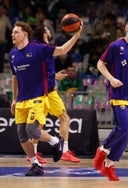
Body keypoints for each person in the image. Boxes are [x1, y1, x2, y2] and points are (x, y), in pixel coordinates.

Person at [9, 20, 82, 176]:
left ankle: (56, 142)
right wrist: (15, 99)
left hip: (37, 97)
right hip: (21, 100)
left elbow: (62, 50)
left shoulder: (38, 49)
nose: (12, 34)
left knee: (31, 130)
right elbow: (15, 77)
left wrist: (76, 34)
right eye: (12, 32)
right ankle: (36, 165)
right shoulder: (13, 54)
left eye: (16, 32)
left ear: (25, 34)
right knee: (21, 134)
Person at [92, 17, 128, 181]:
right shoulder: (116, 46)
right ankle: (102, 150)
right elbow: (100, 64)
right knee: (124, 127)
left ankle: (109, 165)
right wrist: (111, 79)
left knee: (126, 133)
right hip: (118, 94)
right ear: (126, 28)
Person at [27, 25, 80, 163]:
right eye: (47, 29)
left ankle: (32, 153)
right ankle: (65, 151)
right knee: (64, 118)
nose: (50, 30)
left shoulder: (35, 47)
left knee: (39, 124)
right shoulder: (44, 48)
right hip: (48, 92)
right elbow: (63, 50)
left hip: (38, 91)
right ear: (44, 33)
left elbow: (39, 71)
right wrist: (77, 34)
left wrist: (54, 76)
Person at [0, 2, 12, 73]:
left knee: (1, 62)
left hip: (2, 43)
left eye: (1, 9)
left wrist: (7, 39)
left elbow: (10, 30)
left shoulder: (6, 19)